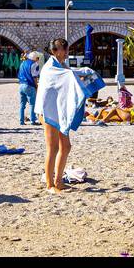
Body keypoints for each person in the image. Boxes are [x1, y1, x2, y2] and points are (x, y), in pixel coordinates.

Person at [37, 37, 75, 193]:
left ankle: (59, 181)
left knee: (65, 146)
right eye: (63, 48)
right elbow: (65, 78)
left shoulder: (61, 66)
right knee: (52, 148)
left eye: (66, 48)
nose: (66, 51)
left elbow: (68, 77)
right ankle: (49, 184)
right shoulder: (50, 67)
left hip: (58, 110)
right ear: (54, 51)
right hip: (47, 111)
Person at [17, 50, 40, 126]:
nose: (38, 59)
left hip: (21, 85)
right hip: (29, 85)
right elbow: (34, 77)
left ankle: (21, 121)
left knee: (22, 105)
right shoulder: (34, 64)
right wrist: (36, 86)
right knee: (32, 104)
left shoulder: (23, 63)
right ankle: (33, 120)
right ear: (35, 58)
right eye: (37, 58)